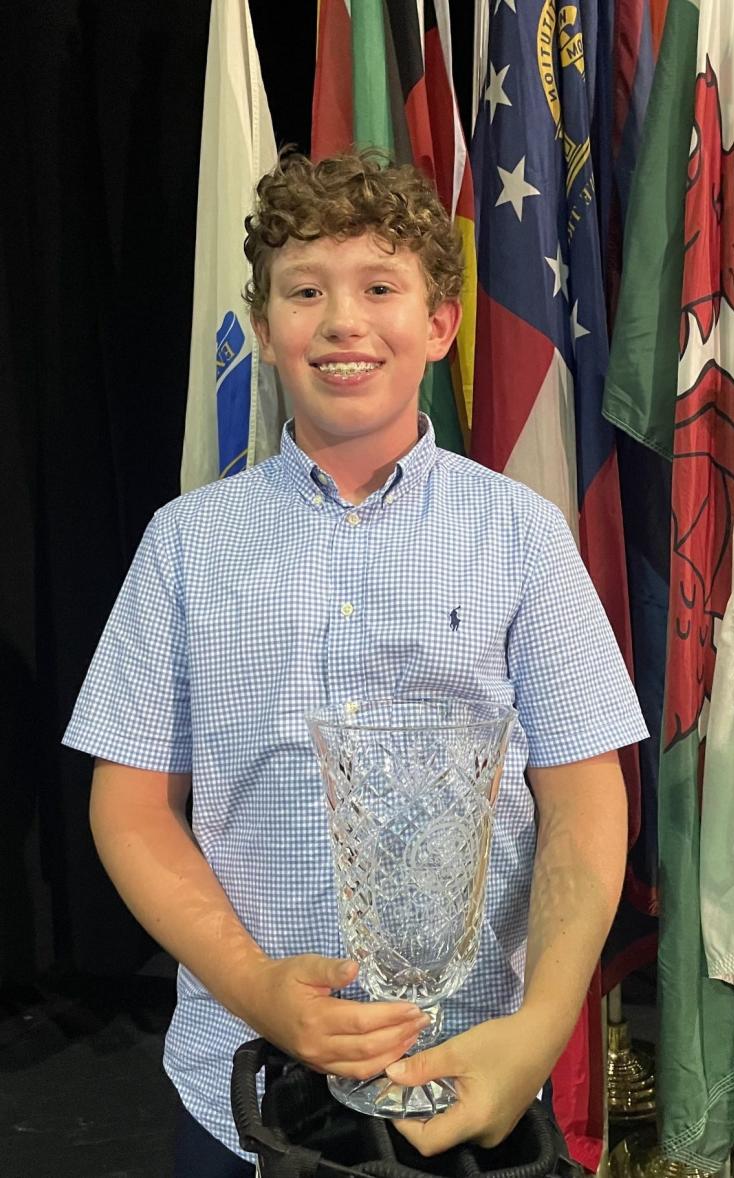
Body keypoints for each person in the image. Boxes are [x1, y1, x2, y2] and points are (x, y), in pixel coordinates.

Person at [63, 150, 647, 1178]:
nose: (342, 320)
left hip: (474, 1071)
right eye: (304, 290)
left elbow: (586, 795)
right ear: (264, 322)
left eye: (380, 286)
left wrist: (543, 1026)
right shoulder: (186, 543)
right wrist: (255, 983)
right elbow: (132, 804)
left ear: (439, 324)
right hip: (239, 1079)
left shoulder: (523, 535)